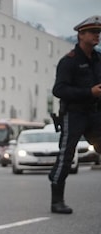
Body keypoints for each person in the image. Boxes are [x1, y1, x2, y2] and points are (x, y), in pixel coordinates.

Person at [49, 15, 101, 214]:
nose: (97, 36)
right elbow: (59, 90)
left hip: (96, 113)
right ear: (81, 35)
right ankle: (56, 200)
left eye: (99, 32)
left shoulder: (98, 59)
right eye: (93, 32)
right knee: (66, 156)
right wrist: (89, 92)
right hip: (74, 115)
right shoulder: (68, 61)